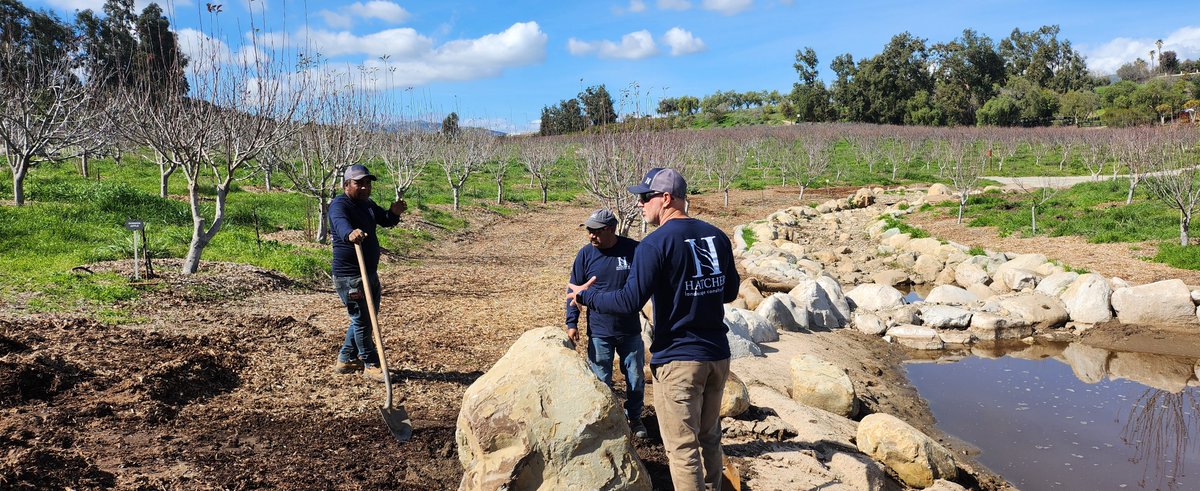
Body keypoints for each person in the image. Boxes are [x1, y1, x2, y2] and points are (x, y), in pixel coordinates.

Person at [568, 167, 739, 491]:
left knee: (682, 448)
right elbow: (729, 291)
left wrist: (585, 295)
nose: (640, 205)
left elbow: (629, 301)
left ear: (666, 198)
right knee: (709, 438)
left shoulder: (654, 243)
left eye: (645, 197)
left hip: (680, 360)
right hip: (717, 356)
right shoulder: (716, 236)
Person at [566, 208, 647, 438]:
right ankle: (607, 422)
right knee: (601, 381)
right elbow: (573, 291)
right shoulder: (585, 255)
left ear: (611, 229)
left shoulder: (633, 250)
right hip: (600, 330)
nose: (590, 236)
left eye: (595, 231)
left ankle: (635, 418)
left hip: (629, 329)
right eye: (588, 231)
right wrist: (572, 322)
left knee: (635, 377)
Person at [328, 164, 407, 382]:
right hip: (350, 276)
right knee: (363, 320)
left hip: (369, 272)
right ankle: (371, 364)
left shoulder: (367, 204)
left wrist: (394, 212)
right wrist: (349, 233)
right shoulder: (339, 205)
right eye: (358, 183)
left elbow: (385, 219)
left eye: (367, 183)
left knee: (363, 319)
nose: (364, 187)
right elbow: (340, 224)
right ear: (346, 185)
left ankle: (345, 359)